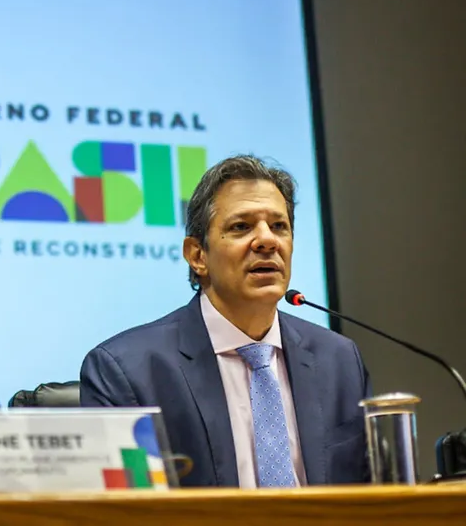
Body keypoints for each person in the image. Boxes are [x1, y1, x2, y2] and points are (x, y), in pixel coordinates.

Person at [80, 155, 371, 487]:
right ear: (197, 256)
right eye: (241, 227)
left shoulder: (339, 360)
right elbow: (123, 509)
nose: (267, 241)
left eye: (279, 226)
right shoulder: (128, 372)